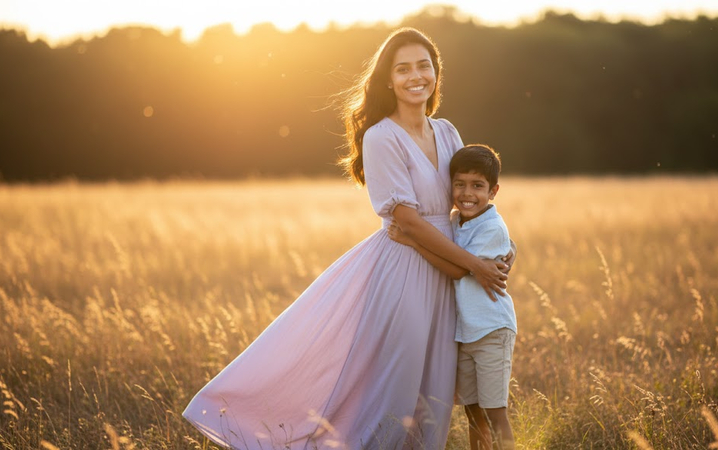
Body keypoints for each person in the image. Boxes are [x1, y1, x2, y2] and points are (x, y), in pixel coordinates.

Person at [182, 28, 509, 450]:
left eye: (424, 66)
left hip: (452, 272)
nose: (415, 76)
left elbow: (471, 201)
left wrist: (498, 249)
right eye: (403, 68)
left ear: (436, 73)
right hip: (406, 269)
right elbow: (406, 221)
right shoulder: (380, 136)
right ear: (388, 79)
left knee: (437, 386)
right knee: (399, 383)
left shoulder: (447, 132)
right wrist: (474, 265)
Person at [388, 144, 517, 450]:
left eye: (477, 186)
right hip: (466, 332)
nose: (466, 193)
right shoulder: (457, 221)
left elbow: (460, 271)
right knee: (473, 413)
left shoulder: (492, 228)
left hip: (491, 330)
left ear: (493, 191)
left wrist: (413, 242)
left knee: (495, 412)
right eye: (459, 184)